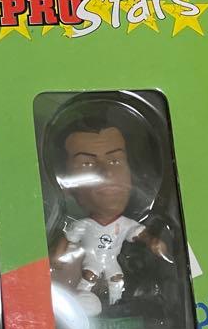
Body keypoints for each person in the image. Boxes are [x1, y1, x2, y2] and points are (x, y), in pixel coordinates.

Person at [49, 111, 169, 310]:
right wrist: (57, 256)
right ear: (64, 182)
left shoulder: (128, 225)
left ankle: (116, 302)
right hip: (85, 272)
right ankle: (84, 295)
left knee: (116, 278)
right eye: (87, 164)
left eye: (115, 161)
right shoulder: (82, 226)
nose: (107, 173)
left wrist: (153, 241)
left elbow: (139, 234)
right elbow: (67, 238)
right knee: (90, 276)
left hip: (113, 263)